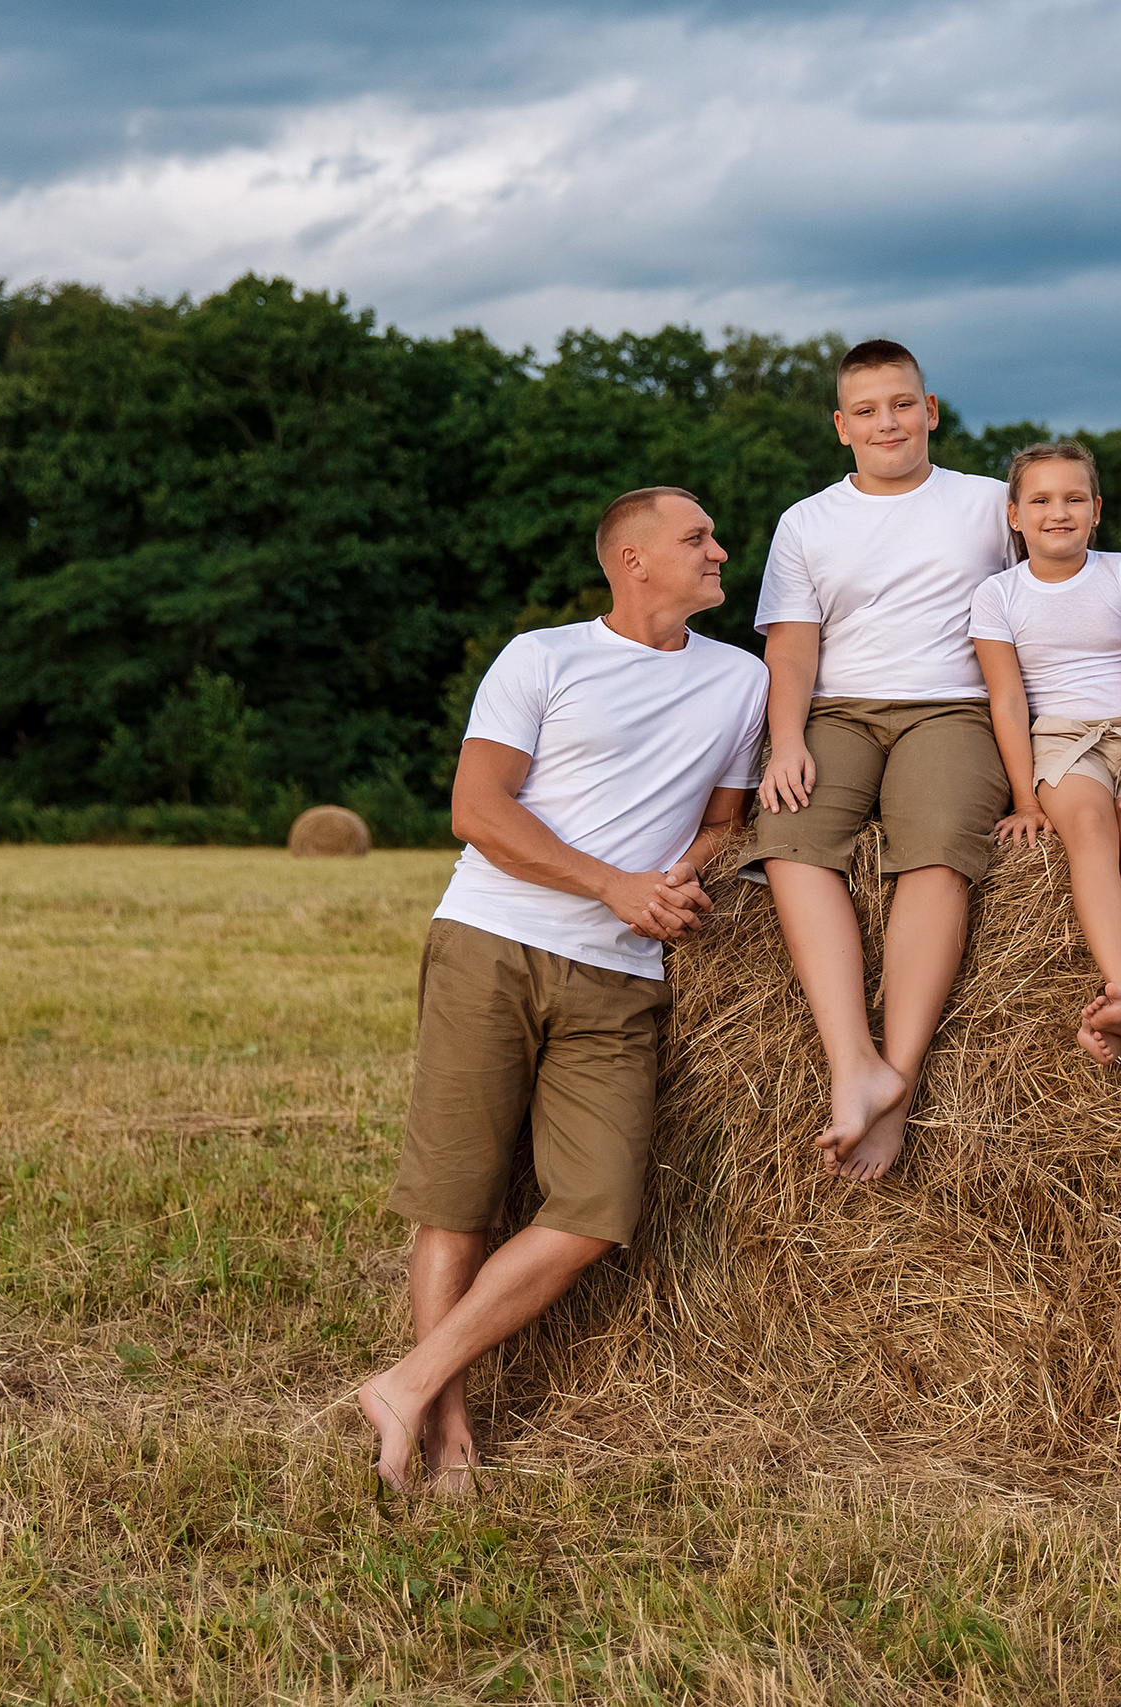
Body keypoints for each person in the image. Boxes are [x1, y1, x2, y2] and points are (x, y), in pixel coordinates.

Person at [354, 487, 768, 1496]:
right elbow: (477, 808)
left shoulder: (742, 682)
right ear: (633, 560)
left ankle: (405, 1384)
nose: (720, 551)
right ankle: (447, 1432)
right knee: (458, 1201)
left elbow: (721, 817)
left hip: (620, 978)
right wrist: (610, 884)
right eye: (697, 538)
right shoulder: (542, 658)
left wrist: (684, 873)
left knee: (593, 1210)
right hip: (492, 943)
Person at [747, 339, 1015, 1181]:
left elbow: (1054, 588)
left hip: (953, 707)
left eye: (902, 404)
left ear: (930, 411)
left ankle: (894, 1086)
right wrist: (785, 737)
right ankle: (851, 1061)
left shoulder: (990, 504)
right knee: (788, 837)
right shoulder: (807, 522)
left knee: (935, 852)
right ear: (841, 426)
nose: (886, 422)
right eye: (866, 410)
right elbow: (792, 648)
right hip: (838, 711)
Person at [972, 440, 1121, 1063]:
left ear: (1097, 510)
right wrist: (1023, 798)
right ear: (1014, 515)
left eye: (1073, 498)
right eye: (1039, 499)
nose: (1057, 512)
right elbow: (1009, 703)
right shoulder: (999, 594)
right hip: (1064, 738)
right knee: (1091, 828)